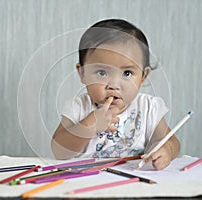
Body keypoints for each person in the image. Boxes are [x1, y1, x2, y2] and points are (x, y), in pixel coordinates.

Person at [51, 19, 180, 170]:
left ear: (143, 77)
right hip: (87, 180)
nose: (114, 85)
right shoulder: (79, 107)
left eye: (127, 73)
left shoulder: (147, 107)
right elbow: (58, 151)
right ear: (82, 73)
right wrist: (88, 125)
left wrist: (166, 150)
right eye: (102, 72)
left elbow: (172, 141)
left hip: (133, 179)